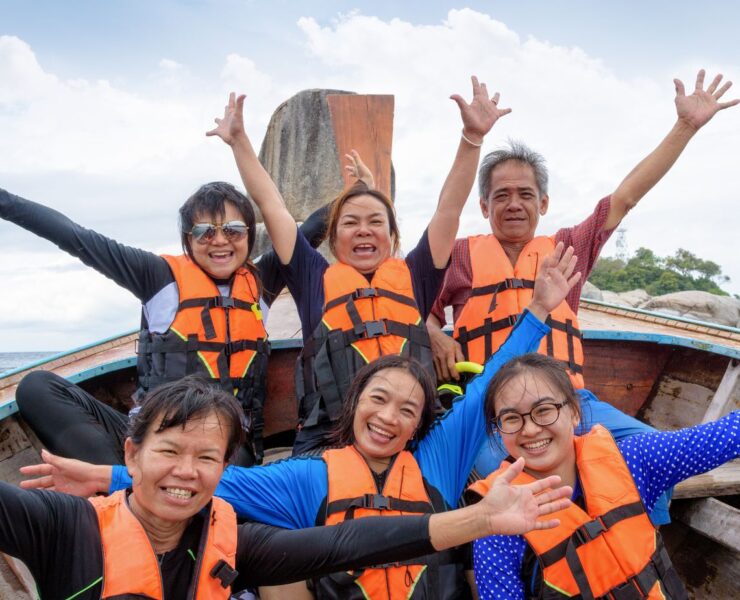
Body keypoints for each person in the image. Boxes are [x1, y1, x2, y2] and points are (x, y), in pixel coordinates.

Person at [23, 243, 580, 599]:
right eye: (378, 399)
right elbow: (212, 482)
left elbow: (487, 385)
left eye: (408, 410)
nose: (389, 417)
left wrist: (538, 309)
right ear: (354, 405)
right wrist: (108, 477)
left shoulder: (439, 461)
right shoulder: (309, 477)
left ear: (418, 425)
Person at [426, 69, 739, 522]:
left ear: (543, 204)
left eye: (526, 194)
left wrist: (685, 126)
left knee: (658, 459)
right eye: (502, 195)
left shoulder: (567, 249)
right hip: (495, 415)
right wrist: (434, 332)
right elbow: (416, 310)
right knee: (502, 486)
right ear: (484, 206)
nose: (514, 204)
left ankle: (638, 548)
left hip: (573, 404)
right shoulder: (458, 255)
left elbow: (625, 198)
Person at [3, 373, 573, 599]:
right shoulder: (62, 524)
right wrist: (110, 476)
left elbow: (346, 543)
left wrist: (484, 519)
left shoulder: (236, 544)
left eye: (206, 457)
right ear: (133, 453)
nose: (187, 471)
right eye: (169, 452)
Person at [208, 76, 512, 454]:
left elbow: (449, 207)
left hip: (411, 438)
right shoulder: (313, 279)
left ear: (392, 236)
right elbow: (272, 206)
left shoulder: (416, 275)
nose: (363, 230)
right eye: (350, 223)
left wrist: (472, 138)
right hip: (331, 440)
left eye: (375, 222)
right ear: (334, 240)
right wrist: (239, 141)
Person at [0, 172, 336, 466]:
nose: (220, 240)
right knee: (36, 387)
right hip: (153, 438)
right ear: (188, 238)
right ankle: (121, 482)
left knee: (223, 464)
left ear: (249, 234)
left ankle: (143, 491)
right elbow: (75, 236)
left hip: (226, 447)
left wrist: (358, 186)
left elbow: (308, 230)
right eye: (205, 231)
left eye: (233, 230)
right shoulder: (157, 276)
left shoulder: (262, 279)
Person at [467, 353, 739, 599]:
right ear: (498, 430)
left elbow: (722, 438)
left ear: (574, 412)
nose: (530, 429)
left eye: (544, 410)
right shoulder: (498, 524)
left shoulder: (634, 459)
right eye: (511, 418)